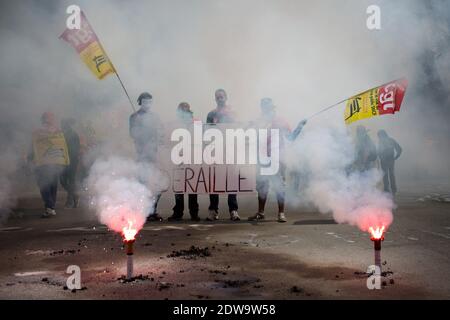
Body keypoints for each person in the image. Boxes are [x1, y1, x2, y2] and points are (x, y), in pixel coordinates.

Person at [248, 98, 307, 223]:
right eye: (265, 108)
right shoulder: (259, 122)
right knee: (262, 186)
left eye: (269, 108)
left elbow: (290, 138)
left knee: (279, 186)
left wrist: (299, 127)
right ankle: (261, 213)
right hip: (262, 158)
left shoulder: (281, 121)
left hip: (278, 159)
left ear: (273, 108)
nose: (268, 110)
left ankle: (281, 213)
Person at [205, 89, 240, 221]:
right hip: (215, 151)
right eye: (218, 97)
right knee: (214, 180)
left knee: (231, 180)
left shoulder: (232, 114)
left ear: (226, 97)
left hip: (229, 150)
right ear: (215, 99)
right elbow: (206, 132)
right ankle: (213, 210)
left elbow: (238, 130)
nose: (220, 99)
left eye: (222, 96)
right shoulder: (211, 114)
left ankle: (233, 210)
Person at [129, 92, 164, 221]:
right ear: (140, 102)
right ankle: (141, 211)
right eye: (145, 102)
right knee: (142, 183)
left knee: (157, 184)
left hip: (154, 155)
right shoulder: (134, 116)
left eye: (150, 102)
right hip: (141, 155)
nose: (147, 104)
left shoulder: (155, 117)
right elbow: (132, 134)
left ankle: (152, 210)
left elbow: (161, 133)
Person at [28, 112, 69, 217]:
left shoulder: (37, 132)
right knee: (52, 185)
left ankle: (50, 207)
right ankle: (51, 207)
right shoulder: (59, 132)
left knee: (44, 185)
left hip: (43, 163)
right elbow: (64, 147)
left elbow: (33, 147)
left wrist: (30, 159)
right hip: (56, 162)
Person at [168, 102, 200, 221]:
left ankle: (194, 212)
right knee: (179, 185)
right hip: (179, 156)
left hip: (192, 156)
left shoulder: (196, 122)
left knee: (192, 186)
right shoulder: (175, 124)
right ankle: (178, 211)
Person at [60, 118, 80, 208]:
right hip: (63, 161)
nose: (62, 125)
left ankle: (69, 201)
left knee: (70, 180)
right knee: (62, 180)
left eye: (63, 124)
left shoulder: (73, 134)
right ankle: (74, 195)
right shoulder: (61, 134)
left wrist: (71, 159)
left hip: (72, 161)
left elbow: (76, 149)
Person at [377, 130, 402, 195]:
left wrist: (396, 157)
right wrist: (396, 156)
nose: (379, 137)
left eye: (379, 136)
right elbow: (379, 151)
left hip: (389, 160)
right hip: (386, 160)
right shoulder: (384, 141)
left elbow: (399, 149)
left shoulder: (389, 140)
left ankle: (390, 190)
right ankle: (389, 189)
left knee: (389, 175)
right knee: (388, 175)